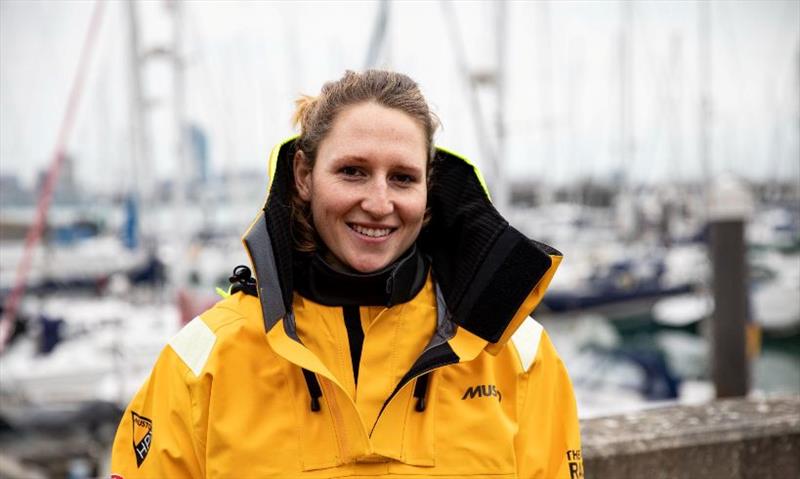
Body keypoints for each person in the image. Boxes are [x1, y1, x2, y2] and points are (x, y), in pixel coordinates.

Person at [110, 70, 583, 478]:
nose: (379, 204)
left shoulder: (515, 353)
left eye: (402, 177)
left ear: (428, 186)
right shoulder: (204, 364)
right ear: (303, 175)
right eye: (353, 172)